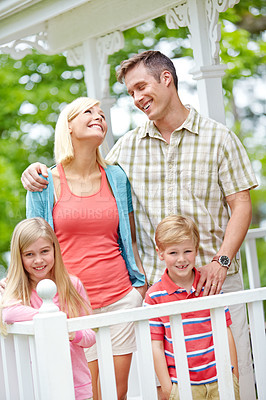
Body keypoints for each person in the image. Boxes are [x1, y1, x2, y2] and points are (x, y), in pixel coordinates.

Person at [20, 51, 258, 398]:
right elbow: (83, 171)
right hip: (158, 292)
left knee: (234, 380)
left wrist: (221, 262)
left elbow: (241, 204)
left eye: (141, 87)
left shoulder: (219, 138)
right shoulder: (127, 149)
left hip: (214, 281)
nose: (136, 98)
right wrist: (35, 171)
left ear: (166, 79)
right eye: (130, 93)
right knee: (168, 385)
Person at [23, 96, 147, 400]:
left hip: (120, 297)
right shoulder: (44, 182)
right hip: (73, 304)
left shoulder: (116, 177)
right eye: (88, 112)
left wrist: (139, 287)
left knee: (117, 392)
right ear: (68, 126)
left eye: (102, 114)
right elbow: (33, 242)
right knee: (88, 393)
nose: (99, 117)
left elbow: (128, 237)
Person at [144, 215, 240, 400]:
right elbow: (155, 346)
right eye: (173, 253)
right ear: (160, 253)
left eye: (187, 251)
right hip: (182, 385)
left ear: (196, 250)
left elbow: (225, 331)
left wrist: (233, 376)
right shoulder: (154, 296)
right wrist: (167, 388)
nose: (181, 259)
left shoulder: (209, 286)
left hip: (220, 379)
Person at [0, 217, 96, 400]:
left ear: (55, 250)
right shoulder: (16, 289)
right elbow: (9, 313)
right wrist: (54, 319)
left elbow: (90, 336)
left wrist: (69, 331)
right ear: (19, 256)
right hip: (36, 384)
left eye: (44, 251)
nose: (38, 260)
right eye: (29, 254)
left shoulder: (72, 285)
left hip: (77, 384)